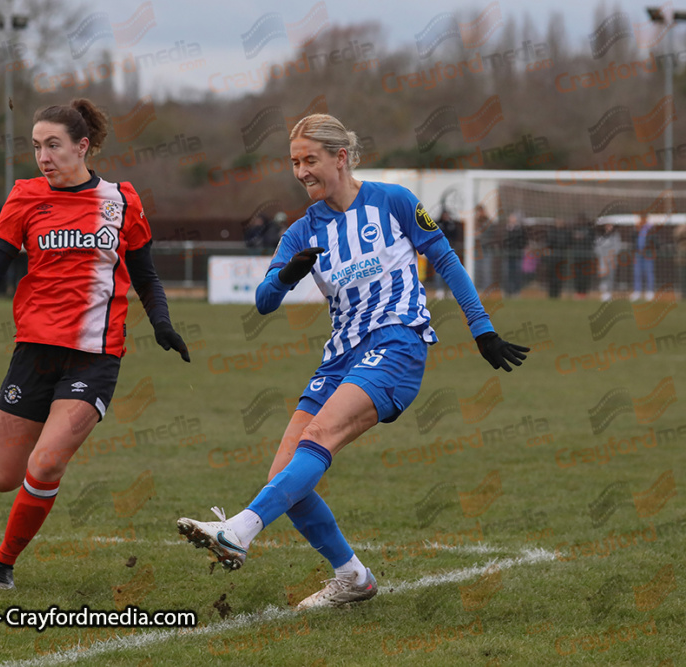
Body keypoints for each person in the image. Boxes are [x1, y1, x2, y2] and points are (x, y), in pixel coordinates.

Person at [176, 114, 529, 610]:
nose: (300, 172)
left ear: (340, 157)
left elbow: (446, 261)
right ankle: (353, 576)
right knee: (285, 475)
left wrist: (482, 328)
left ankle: (237, 530)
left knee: (316, 440)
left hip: (397, 343)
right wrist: (285, 276)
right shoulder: (301, 232)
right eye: (294, 162)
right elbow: (263, 301)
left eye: (310, 160)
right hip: (341, 354)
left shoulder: (394, 201)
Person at [0, 98, 191, 591]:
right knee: (5, 477)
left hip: (95, 355)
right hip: (33, 352)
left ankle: (2, 563)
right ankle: (32, 492)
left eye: (53, 145)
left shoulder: (122, 200)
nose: (43, 156)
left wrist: (162, 323)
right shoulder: (24, 197)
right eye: (36, 147)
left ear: (82, 146)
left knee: (47, 462)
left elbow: (147, 274)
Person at [432, 207, 461, 299]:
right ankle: (440, 290)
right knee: (439, 271)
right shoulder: (438, 223)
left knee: (451, 270)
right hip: (439, 250)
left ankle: (451, 290)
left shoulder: (451, 225)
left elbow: (455, 235)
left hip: (450, 249)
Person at [631, 213, 658, 301]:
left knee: (649, 272)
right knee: (637, 273)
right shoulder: (636, 228)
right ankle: (637, 291)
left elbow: (656, 241)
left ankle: (650, 291)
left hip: (648, 254)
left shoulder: (651, 228)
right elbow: (632, 239)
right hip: (638, 254)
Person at [595, 222, 622, 302]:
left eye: (610, 226)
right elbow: (597, 247)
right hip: (602, 260)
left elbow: (617, 247)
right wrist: (602, 256)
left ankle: (608, 293)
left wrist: (610, 256)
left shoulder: (615, 235)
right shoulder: (600, 236)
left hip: (612, 260)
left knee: (611, 276)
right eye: (607, 226)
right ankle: (603, 291)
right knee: (603, 275)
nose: (609, 227)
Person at [545, 218, 571, 299]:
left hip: (562, 257)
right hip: (553, 258)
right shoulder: (551, 232)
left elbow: (567, 243)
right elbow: (548, 243)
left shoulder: (566, 232)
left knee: (559, 276)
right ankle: (551, 293)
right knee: (552, 276)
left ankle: (558, 293)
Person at [502, 212, 527, 297]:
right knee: (507, 274)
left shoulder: (520, 230)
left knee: (517, 273)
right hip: (508, 255)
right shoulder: (506, 229)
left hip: (517, 255)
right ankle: (508, 291)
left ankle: (516, 291)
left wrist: (518, 249)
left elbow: (523, 241)